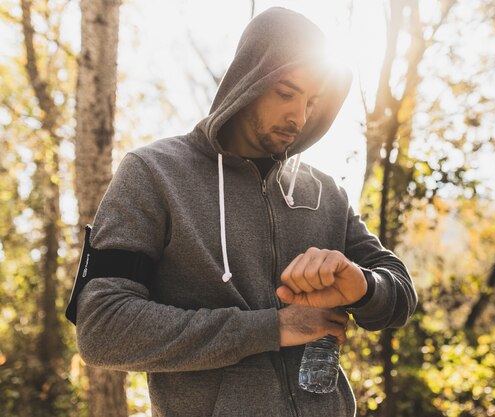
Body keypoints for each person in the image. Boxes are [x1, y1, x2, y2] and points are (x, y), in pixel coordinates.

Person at [69, 7, 417, 417]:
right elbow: (104, 328)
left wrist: (362, 285)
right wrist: (273, 328)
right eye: (286, 93)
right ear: (247, 80)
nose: (299, 117)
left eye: (312, 101)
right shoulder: (154, 173)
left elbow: (400, 293)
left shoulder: (325, 191)